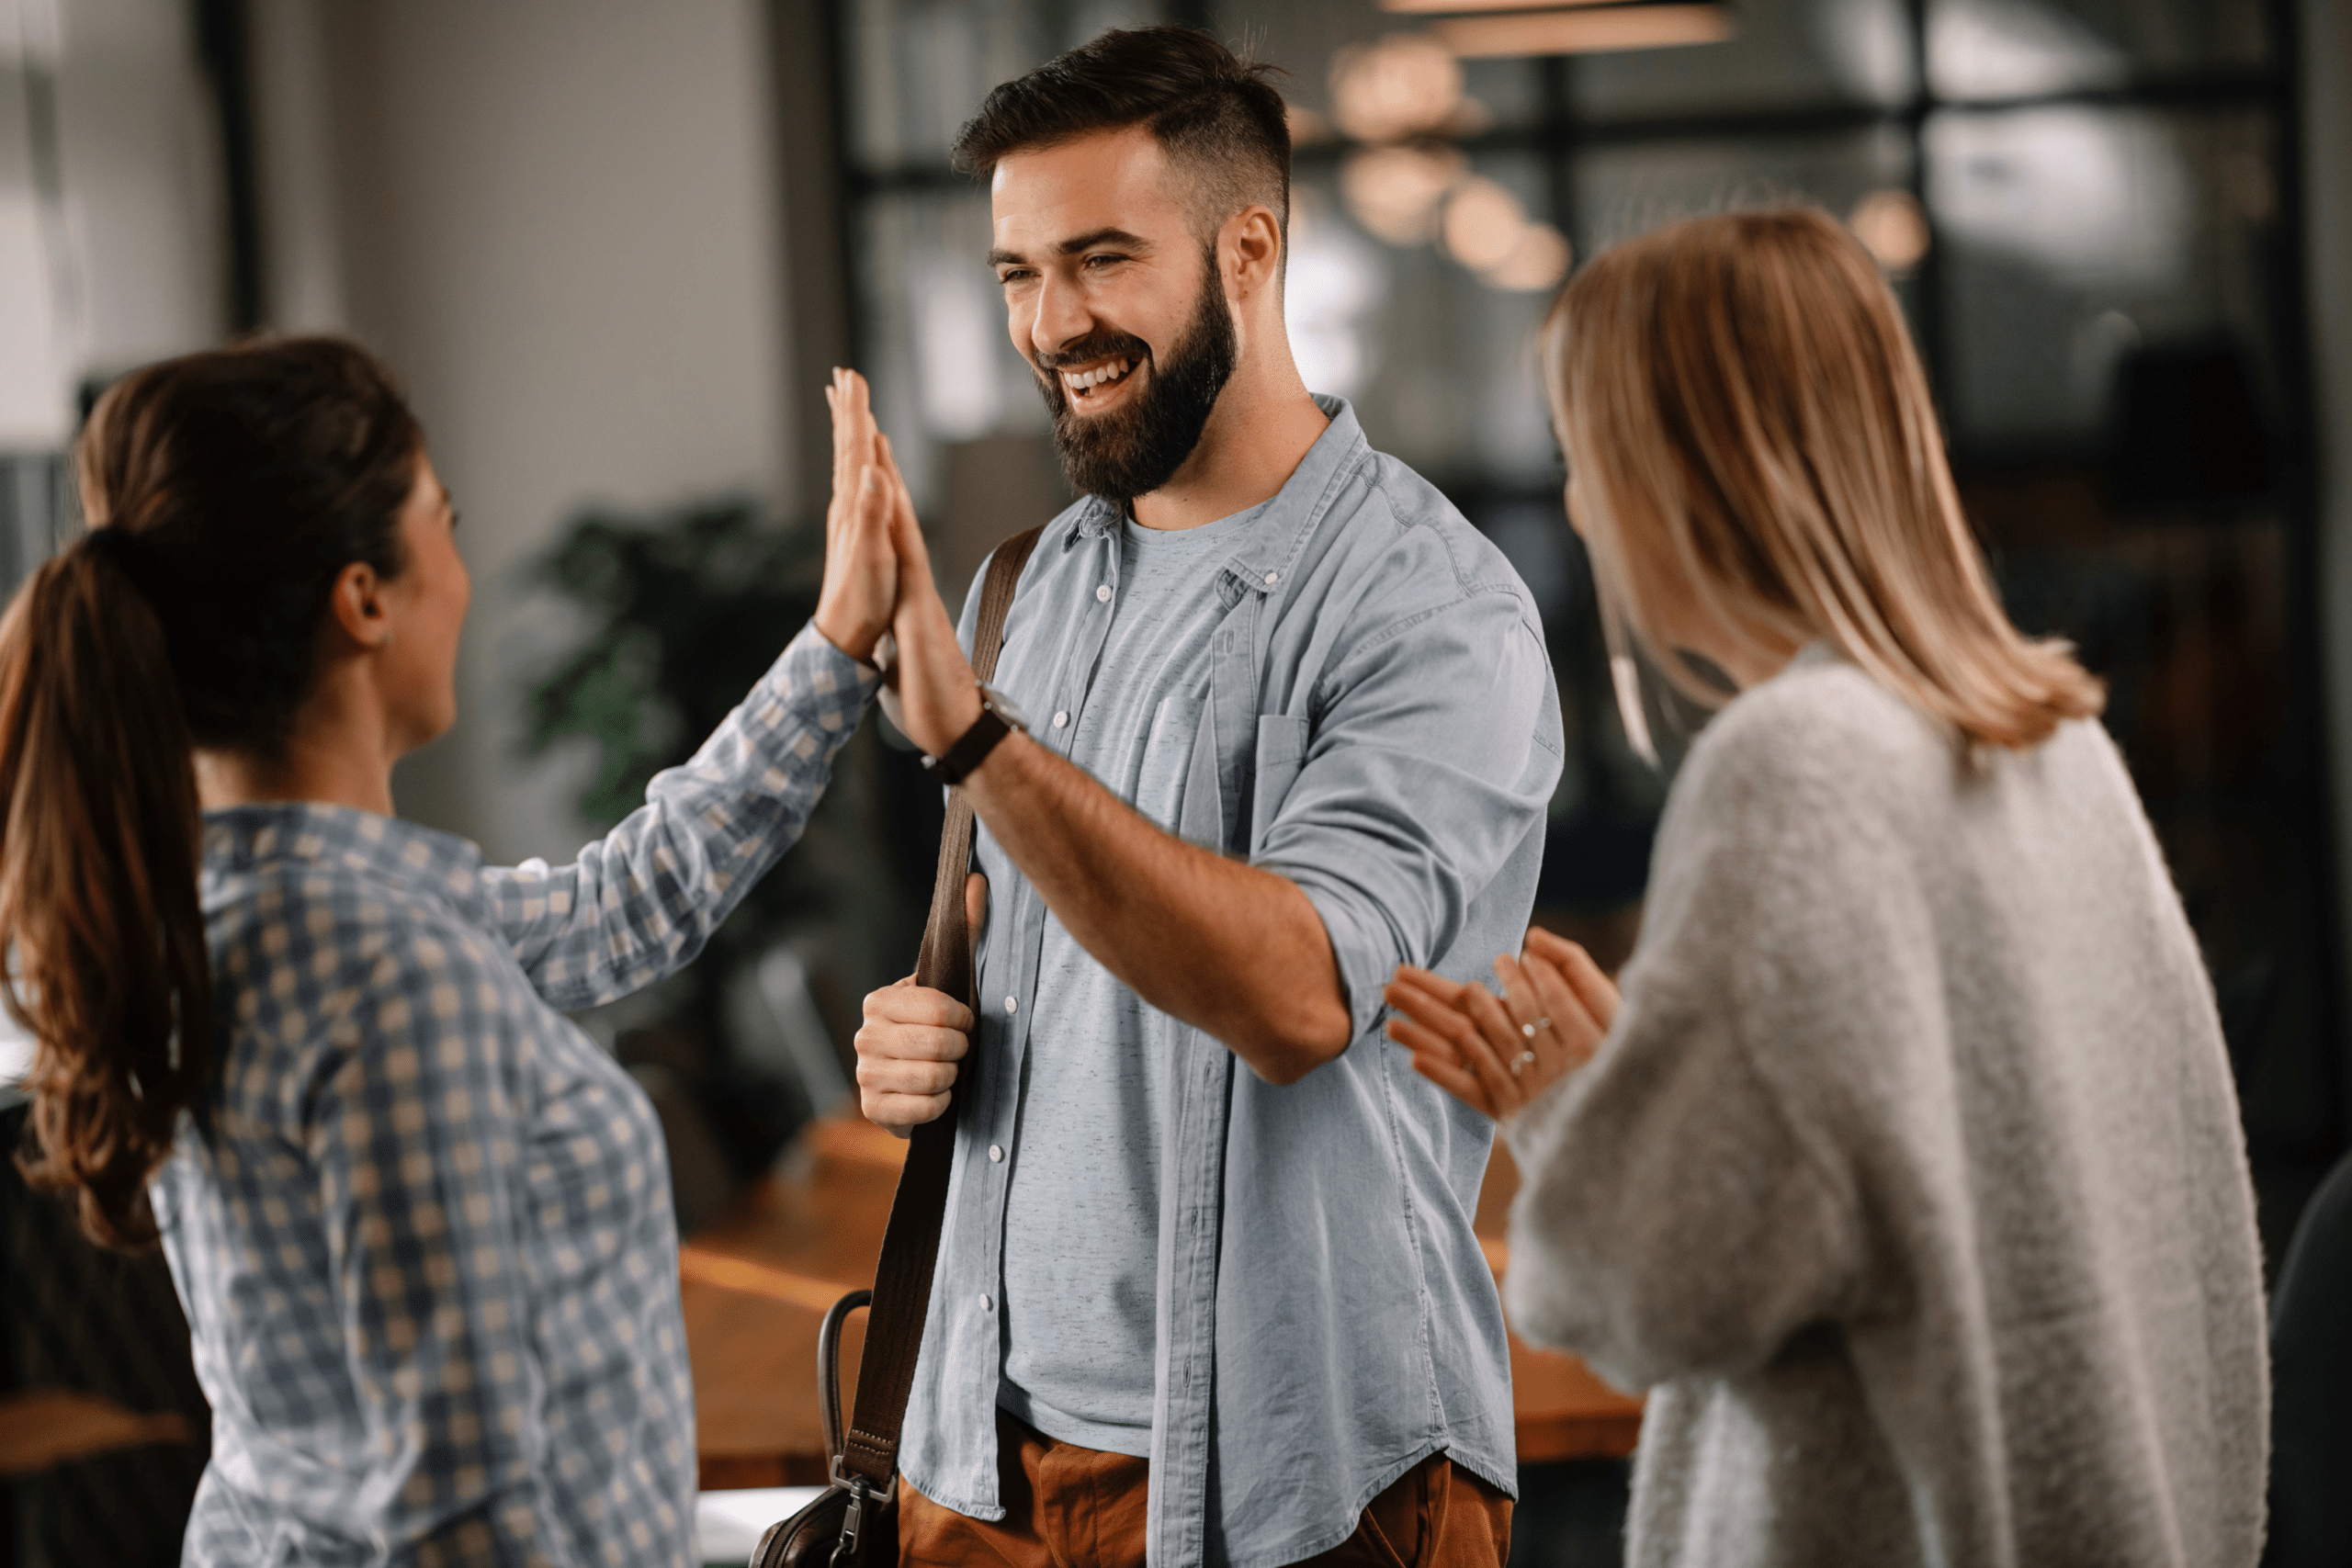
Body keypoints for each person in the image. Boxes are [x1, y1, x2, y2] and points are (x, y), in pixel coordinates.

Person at [1384, 208, 2269, 1567]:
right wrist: (1656, 1093)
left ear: (1683, 471)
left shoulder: (1796, 766)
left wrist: (1562, 1112)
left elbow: (1661, 1288)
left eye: (1584, 455)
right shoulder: (2051, 741)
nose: (1574, 501)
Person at [842, 26, 1560, 1568]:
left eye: (1101, 260)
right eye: (1020, 274)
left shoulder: (1433, 609)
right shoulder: (1028, 583)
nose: (1054, 322)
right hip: (983, 1467)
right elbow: (995, 946)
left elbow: (1301, 994)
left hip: (1318, 1479)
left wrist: (975, 743)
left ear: (1250, 250)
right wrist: (919, 1024)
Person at [5, 337, 902, 1564]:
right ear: (365, 596)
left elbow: (613, 904)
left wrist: (839, 645)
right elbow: (461, 1522)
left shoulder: (246, 906)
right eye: (446, 519)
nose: (462, 569)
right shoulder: (382, 972)